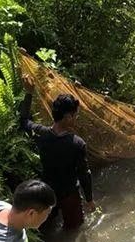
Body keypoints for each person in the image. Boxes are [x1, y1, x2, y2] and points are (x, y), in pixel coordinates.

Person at [18, 72, 95, 230]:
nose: (76, 119)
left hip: (47, 193)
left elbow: (23, 121)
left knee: (45, 229)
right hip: (69, 195)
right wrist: (89, 200)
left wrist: (28, 92)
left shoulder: (41, 134)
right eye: (75, 116)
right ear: (67, 117)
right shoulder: (77, 144)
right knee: (74, 231)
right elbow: (84, 174)